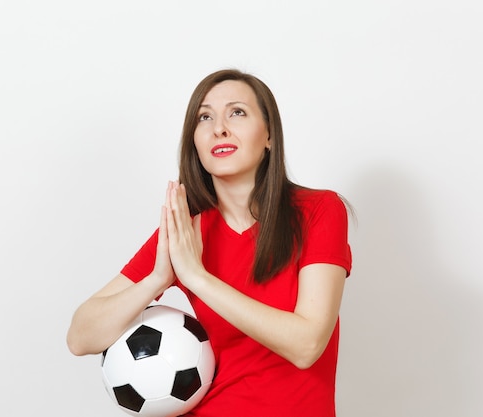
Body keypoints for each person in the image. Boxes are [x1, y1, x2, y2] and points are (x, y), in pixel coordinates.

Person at [67, 69, 352, 416]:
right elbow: (81, 336)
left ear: (269, 137)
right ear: (195, 142)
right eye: (205, 117)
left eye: (237, 112)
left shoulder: (319, 211)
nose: (219, 127)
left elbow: (307, 345)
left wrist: (198, 277)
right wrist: (157, 279)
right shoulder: (186, 232)